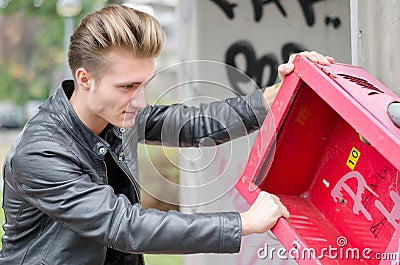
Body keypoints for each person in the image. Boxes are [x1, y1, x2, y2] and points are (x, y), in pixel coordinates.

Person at [0, 4, 333, 265]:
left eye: (144, 84)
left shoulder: (116, 113)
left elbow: (192, 124)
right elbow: (125, 227)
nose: (140, 101)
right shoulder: (41, 154)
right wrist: (243, 222)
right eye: (128, 87)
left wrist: (275, 96)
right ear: (85, 79)